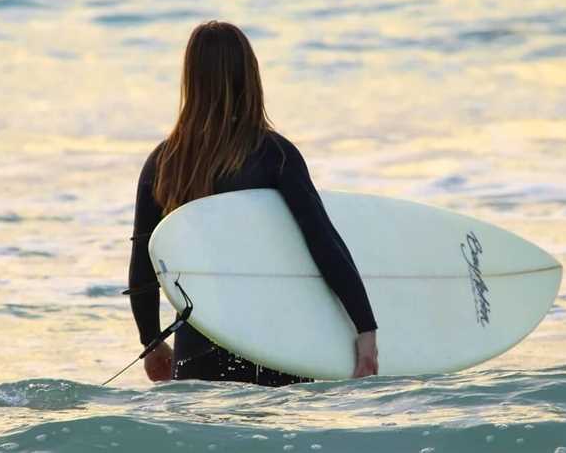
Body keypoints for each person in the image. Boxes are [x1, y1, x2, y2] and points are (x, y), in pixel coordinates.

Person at [127, 20, 379, 386]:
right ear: (250, 75)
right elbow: (323, 244)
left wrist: (151, 341)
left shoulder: (163, 162)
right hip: (273, 342)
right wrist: (365, 326)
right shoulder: (273, 155)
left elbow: (143, 266)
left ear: (191, 80)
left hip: (197, 347)